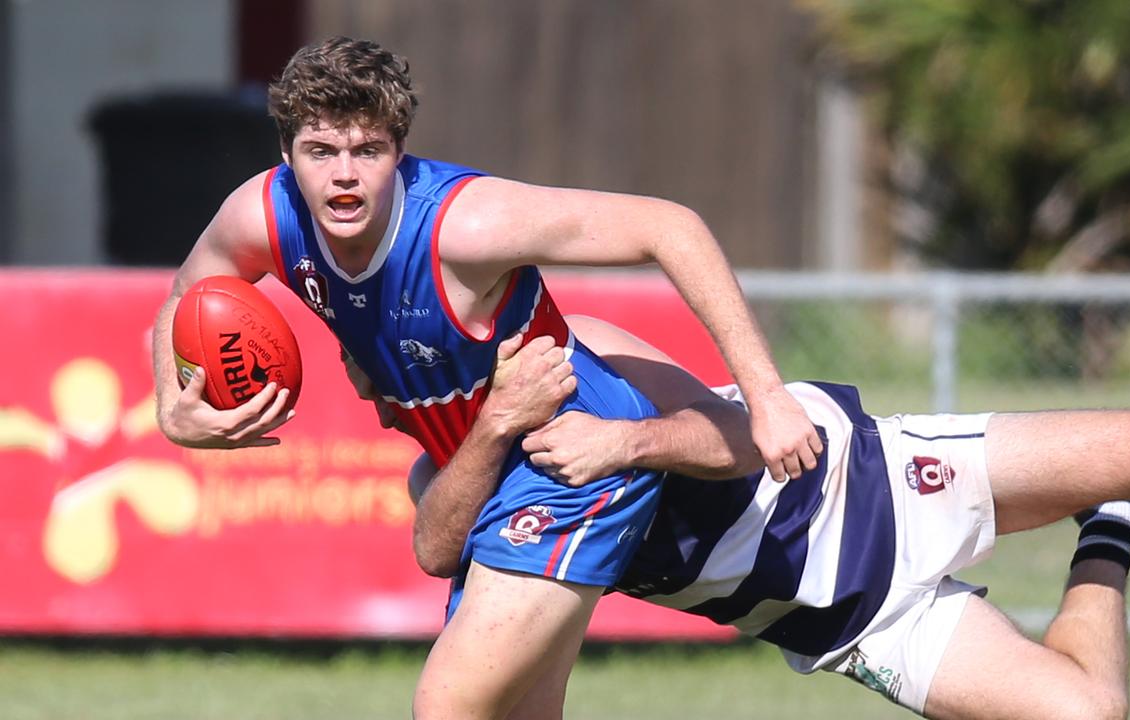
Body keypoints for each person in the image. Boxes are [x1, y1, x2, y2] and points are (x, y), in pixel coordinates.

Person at [149, 35, 822, 719]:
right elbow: (185, 296)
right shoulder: (261, 216)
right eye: (322, 152)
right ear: (287, 157)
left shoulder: (464, 225)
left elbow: (668, 226)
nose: (344, 175)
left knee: (447, 707)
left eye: (368, 151)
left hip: (570, 455)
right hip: (485, 462)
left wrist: (765, 393)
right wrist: (173, 405)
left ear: (399, 153)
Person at [410, 314, 1130, 720]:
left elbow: (740, 439)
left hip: (871, 483)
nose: (386, 394)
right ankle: (1114, 522)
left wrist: (621, 447)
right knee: (1085, 715)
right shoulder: (459, 477)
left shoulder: (580, 343)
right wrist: (487, 432)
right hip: (847, 621)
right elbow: (436, 551)